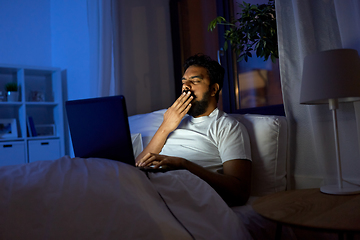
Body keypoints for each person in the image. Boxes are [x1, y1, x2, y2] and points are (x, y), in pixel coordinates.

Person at [136, 54, 252, 206]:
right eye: (184, 82)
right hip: (147, 187)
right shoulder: (173, 122)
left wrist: (184, 164)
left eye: (195, 81)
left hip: (179, 195)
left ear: (213, 89)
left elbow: (240, 193)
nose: (186, 86)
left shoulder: (227, 126)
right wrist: (165, 126)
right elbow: (138, 166)